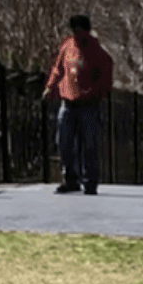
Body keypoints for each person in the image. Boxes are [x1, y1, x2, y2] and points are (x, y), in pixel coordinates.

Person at [43, 13, 113, 194]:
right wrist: (50, 86)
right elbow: (58, 68)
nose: (77, 33)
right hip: (68, 104)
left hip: (88, 105)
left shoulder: (95, 49)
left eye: (80, 30)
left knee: (89, 144)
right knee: (64, 142)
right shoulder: (67, 46)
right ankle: (70, 179)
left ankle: (90, 180)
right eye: (75, 30)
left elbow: (106, 71)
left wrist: (97, 94)